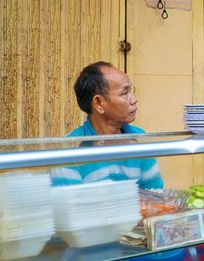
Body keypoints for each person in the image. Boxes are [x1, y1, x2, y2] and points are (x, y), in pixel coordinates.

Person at [51, 61, 163, 189]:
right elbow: (70, 205)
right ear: (99, 103)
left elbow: (154, 193)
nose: (134, 99)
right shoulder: (70, 150)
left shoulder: (140, 140)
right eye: (124, 93)